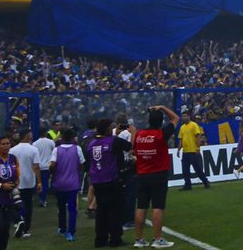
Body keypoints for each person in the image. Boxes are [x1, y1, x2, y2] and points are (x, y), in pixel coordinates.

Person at [132, 104, 178, 248]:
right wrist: (163, 107)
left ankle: (139, 239)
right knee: (158, 206)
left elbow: (133, 150)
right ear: (160, 122)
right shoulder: (161, 134)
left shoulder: (139, 135)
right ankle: (157, 239)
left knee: (141, 206)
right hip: (158, 174)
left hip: (142, 174)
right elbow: (176, 118)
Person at [88, 117, 132, 248]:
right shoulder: (113, 141)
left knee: (101, 210)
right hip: (112, 180)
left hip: (97, 181)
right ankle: (115, 239)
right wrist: (130, 132)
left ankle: (100, 239)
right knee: (115, 211)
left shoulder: (91, 143)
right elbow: (129, 146)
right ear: (108, 128)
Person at [50, 126, 85, 242]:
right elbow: (82, 164)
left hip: (59, 183)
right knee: (72, 209)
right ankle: (71, 232)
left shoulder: (56, 150)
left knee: (61, 208)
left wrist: (54, 172)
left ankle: (62, 228)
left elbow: (52, 165)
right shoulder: (77, 149)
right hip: (72, 184)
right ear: (72, 137)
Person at [10, 129, 40, 238]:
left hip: (16, 181)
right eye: (30, 136)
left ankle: (18, 221)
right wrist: (39, 181)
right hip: (29, 181)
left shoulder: (12, 150)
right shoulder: (34, 149)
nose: (32, 138)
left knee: (15, 203)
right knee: (28, 205)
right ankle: (26, 229)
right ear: (27, 137)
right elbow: (36, 166)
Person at [175, 110, 209, 191]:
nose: (184, 118)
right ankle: (187, 184)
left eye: (185, 116)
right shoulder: (182, 127)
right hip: (185, 151)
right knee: (185, 169)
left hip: (193, 151)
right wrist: (178, 149)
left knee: (198, 169)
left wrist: (198, 148)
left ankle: (205, 181)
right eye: (183, 116)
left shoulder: (194, 125)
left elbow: (198, 137)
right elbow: (181, 139)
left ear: (189, 117)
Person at [34, 128, 56, 208]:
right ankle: (43, 199)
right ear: (45, 133)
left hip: (38, 166)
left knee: (39, 183)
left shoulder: (35, 143)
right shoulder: (51, 142)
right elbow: (54, 152)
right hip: (47, 166)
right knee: (45, 183)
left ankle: (41, 198)